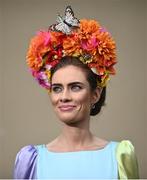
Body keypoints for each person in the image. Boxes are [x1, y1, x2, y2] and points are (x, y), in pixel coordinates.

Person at [13, 6, 139, 179]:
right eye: (57, 88)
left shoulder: (121, 156)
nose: (64, 97)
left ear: (95, 94)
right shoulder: (31, 160)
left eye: (75, 87)